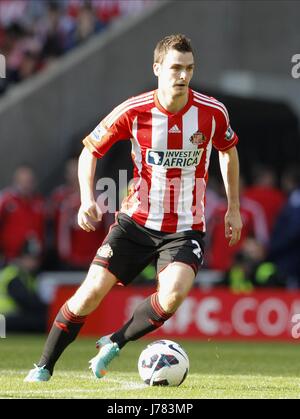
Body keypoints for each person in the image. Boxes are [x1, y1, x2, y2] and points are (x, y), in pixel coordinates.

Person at [25, 34, 243, 382]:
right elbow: (89, 151)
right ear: (157, 68)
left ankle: (115, 341)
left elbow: (227, 150)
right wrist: (86, 198)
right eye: (175, 68)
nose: (182, 76)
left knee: (172, 296)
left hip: (185, 226)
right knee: (89, 294)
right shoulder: (134, 110)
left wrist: (233, 207)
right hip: (135, 222)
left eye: (189, 68)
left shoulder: (211, 112)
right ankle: (43, 366)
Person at [0, 238, 47, 333]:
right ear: (21, 257)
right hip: (4, 317)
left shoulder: (27, 276)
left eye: (36, 259)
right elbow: (25, 300)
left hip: (10, 316)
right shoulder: (12, 274)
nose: (34, 262)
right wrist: (47, 308)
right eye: (30, 258)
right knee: (39, 322)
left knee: (40, 320)